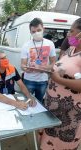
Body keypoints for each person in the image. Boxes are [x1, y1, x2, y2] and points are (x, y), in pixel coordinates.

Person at [39, 18, 81, 150]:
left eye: (71, 31)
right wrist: (46, 69)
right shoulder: (70, 50)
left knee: (63, 143)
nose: (68, 34)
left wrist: (58, 79)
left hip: (69, 111)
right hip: (53, 107)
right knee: (48, 139)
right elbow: (60, 68)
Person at [21, 18, 56, 104]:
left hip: (43, 80)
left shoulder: (50, 44)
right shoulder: (26, 45)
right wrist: (26, 69)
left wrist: (45, 68)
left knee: (39, 103)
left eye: (39, 30)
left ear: (43, 29)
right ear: (30, 32)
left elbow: (53, 62)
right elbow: (22, 64)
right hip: (29, 80)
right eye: (33, 31)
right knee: (27, 102)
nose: (36, 33)